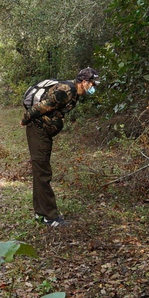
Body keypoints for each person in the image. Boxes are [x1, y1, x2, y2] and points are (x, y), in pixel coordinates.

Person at [20, 67, 100, 227]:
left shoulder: (74, 93)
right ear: (84, 82)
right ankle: (51, 216)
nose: (94, 88)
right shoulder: (66, 91)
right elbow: (41, 107)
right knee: (43, 172)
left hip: (43, 132)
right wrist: (25, 120)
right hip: (38, 130)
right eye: (92, 84)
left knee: (39, 171)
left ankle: (40, 213)